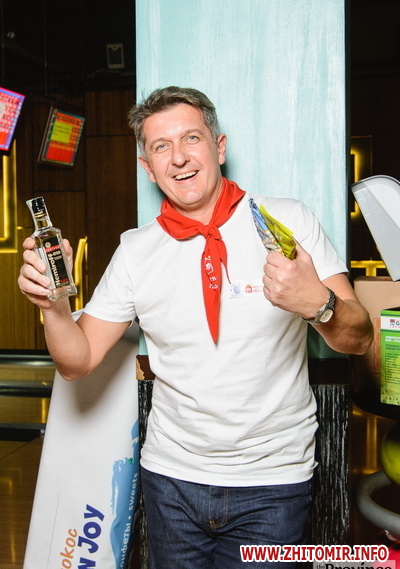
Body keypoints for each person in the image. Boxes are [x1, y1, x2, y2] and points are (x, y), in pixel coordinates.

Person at [18, 86, 373, 569]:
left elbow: (359, 338)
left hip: (273, 481)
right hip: (170, 481)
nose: (179, 157)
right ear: (148, 167)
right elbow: (76, 362)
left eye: (192, 138)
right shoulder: (135, 251)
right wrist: (54, 307)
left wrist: (319, 304)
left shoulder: (287, 220)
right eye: (161, 146)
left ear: (219, 147)